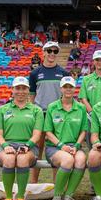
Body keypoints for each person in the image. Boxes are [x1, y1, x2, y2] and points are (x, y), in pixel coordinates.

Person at [0, 77, 44, 200]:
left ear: (28, 91)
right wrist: (5, 146)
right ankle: (8, 199)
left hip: (29, 146)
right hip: (6, 145)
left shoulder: (36, 110)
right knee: (9, 159)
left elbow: (37, 134)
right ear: (12, 90)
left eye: (24, 88)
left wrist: (27, 146)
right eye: (18, 88)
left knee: (22, 159)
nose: (21, 91)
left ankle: (21, 198)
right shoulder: (2, 110)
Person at [28, 41, 70, 183]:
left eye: (55, 51)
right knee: (36, 151)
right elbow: (32, 96)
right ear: (43, 52)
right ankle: (33, 184)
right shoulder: (35, 73)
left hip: (58, 116)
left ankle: (55, 187)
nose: (52, 54)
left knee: (56, 150)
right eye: (49, 51)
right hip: (40, 114)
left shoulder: (64, 73)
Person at [44, 76, 88, 200]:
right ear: (61, 88)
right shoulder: (52, 107)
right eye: (65, 87)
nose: (68, 89)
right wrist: (62, 145)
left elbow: (83, 131)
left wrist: (76, 146)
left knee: (81, 160)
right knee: (68, 160)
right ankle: (56, 197)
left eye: (71, 87)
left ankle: (68, 196)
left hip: (74, 146)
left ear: (75, 89)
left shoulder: (81, 108)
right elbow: (48, 132)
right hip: (55, 147)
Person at [78, 50, 101, 194]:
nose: (99, 62)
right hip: (91, 120)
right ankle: (95, 187)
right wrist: (92, 112)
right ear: (93, 62)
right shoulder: (86, 79)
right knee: (94, 152)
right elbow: (83, 98)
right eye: (97, 60)